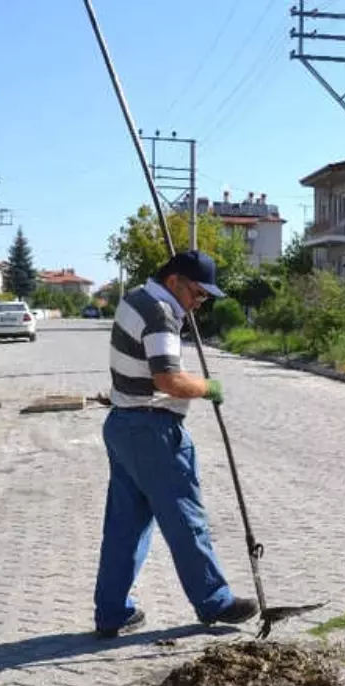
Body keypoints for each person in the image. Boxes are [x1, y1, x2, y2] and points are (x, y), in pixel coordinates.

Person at [93, 250, 257, 638]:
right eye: (198, 295)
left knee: (125, 527)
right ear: (174, 282)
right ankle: (215, 602)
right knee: (186, 519)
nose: (199, 304)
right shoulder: (160, 314)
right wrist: (206, 386)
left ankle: (112, 611)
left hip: (124, 424)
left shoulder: (135, 298)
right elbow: (167, 380)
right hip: (153, 429)